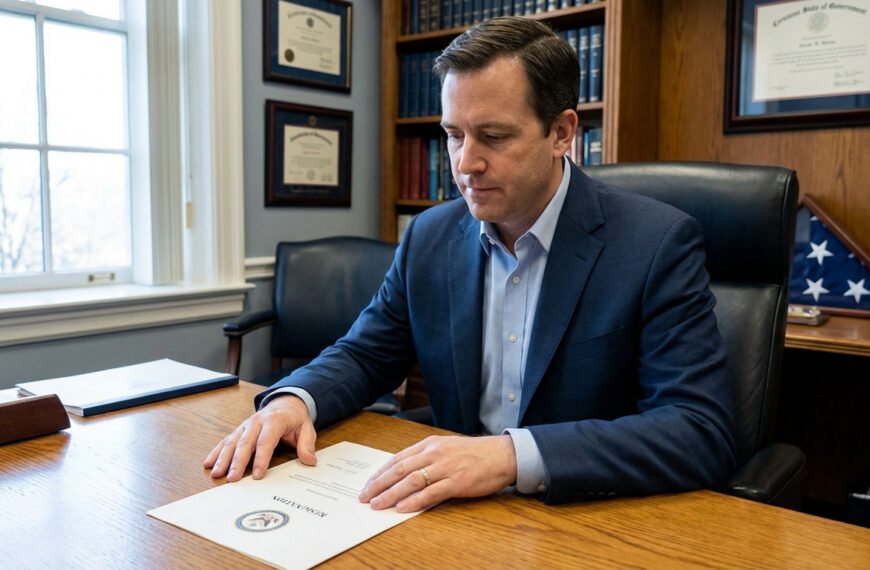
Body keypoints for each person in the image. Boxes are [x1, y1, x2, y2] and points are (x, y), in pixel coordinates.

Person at [205, 16, 736, 513]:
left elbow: (698, 429)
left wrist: (509, 456)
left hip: (582, 511)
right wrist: (297, 401)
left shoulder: (655, 242)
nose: (465, 164)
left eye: (494, 136)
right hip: (452, 512)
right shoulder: (430, 236)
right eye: (454, 134)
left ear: (561, 133)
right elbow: (367, 355)